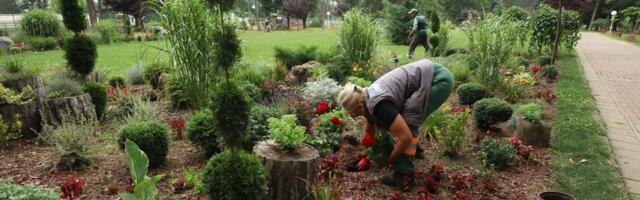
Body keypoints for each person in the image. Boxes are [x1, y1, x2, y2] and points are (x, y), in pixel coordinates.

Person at [338, 59, 454, 190]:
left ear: (359, 106)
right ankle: (416, 151)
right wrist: (367, 156)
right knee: (394, 123)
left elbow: (406, 137)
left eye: (353, 113)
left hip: (437, 80)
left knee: (408, 124)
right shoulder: (365, 95)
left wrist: (391, 159)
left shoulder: (380, 106)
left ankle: (404, 175)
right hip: (428, 74)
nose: (355, 116)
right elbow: (370, 129)